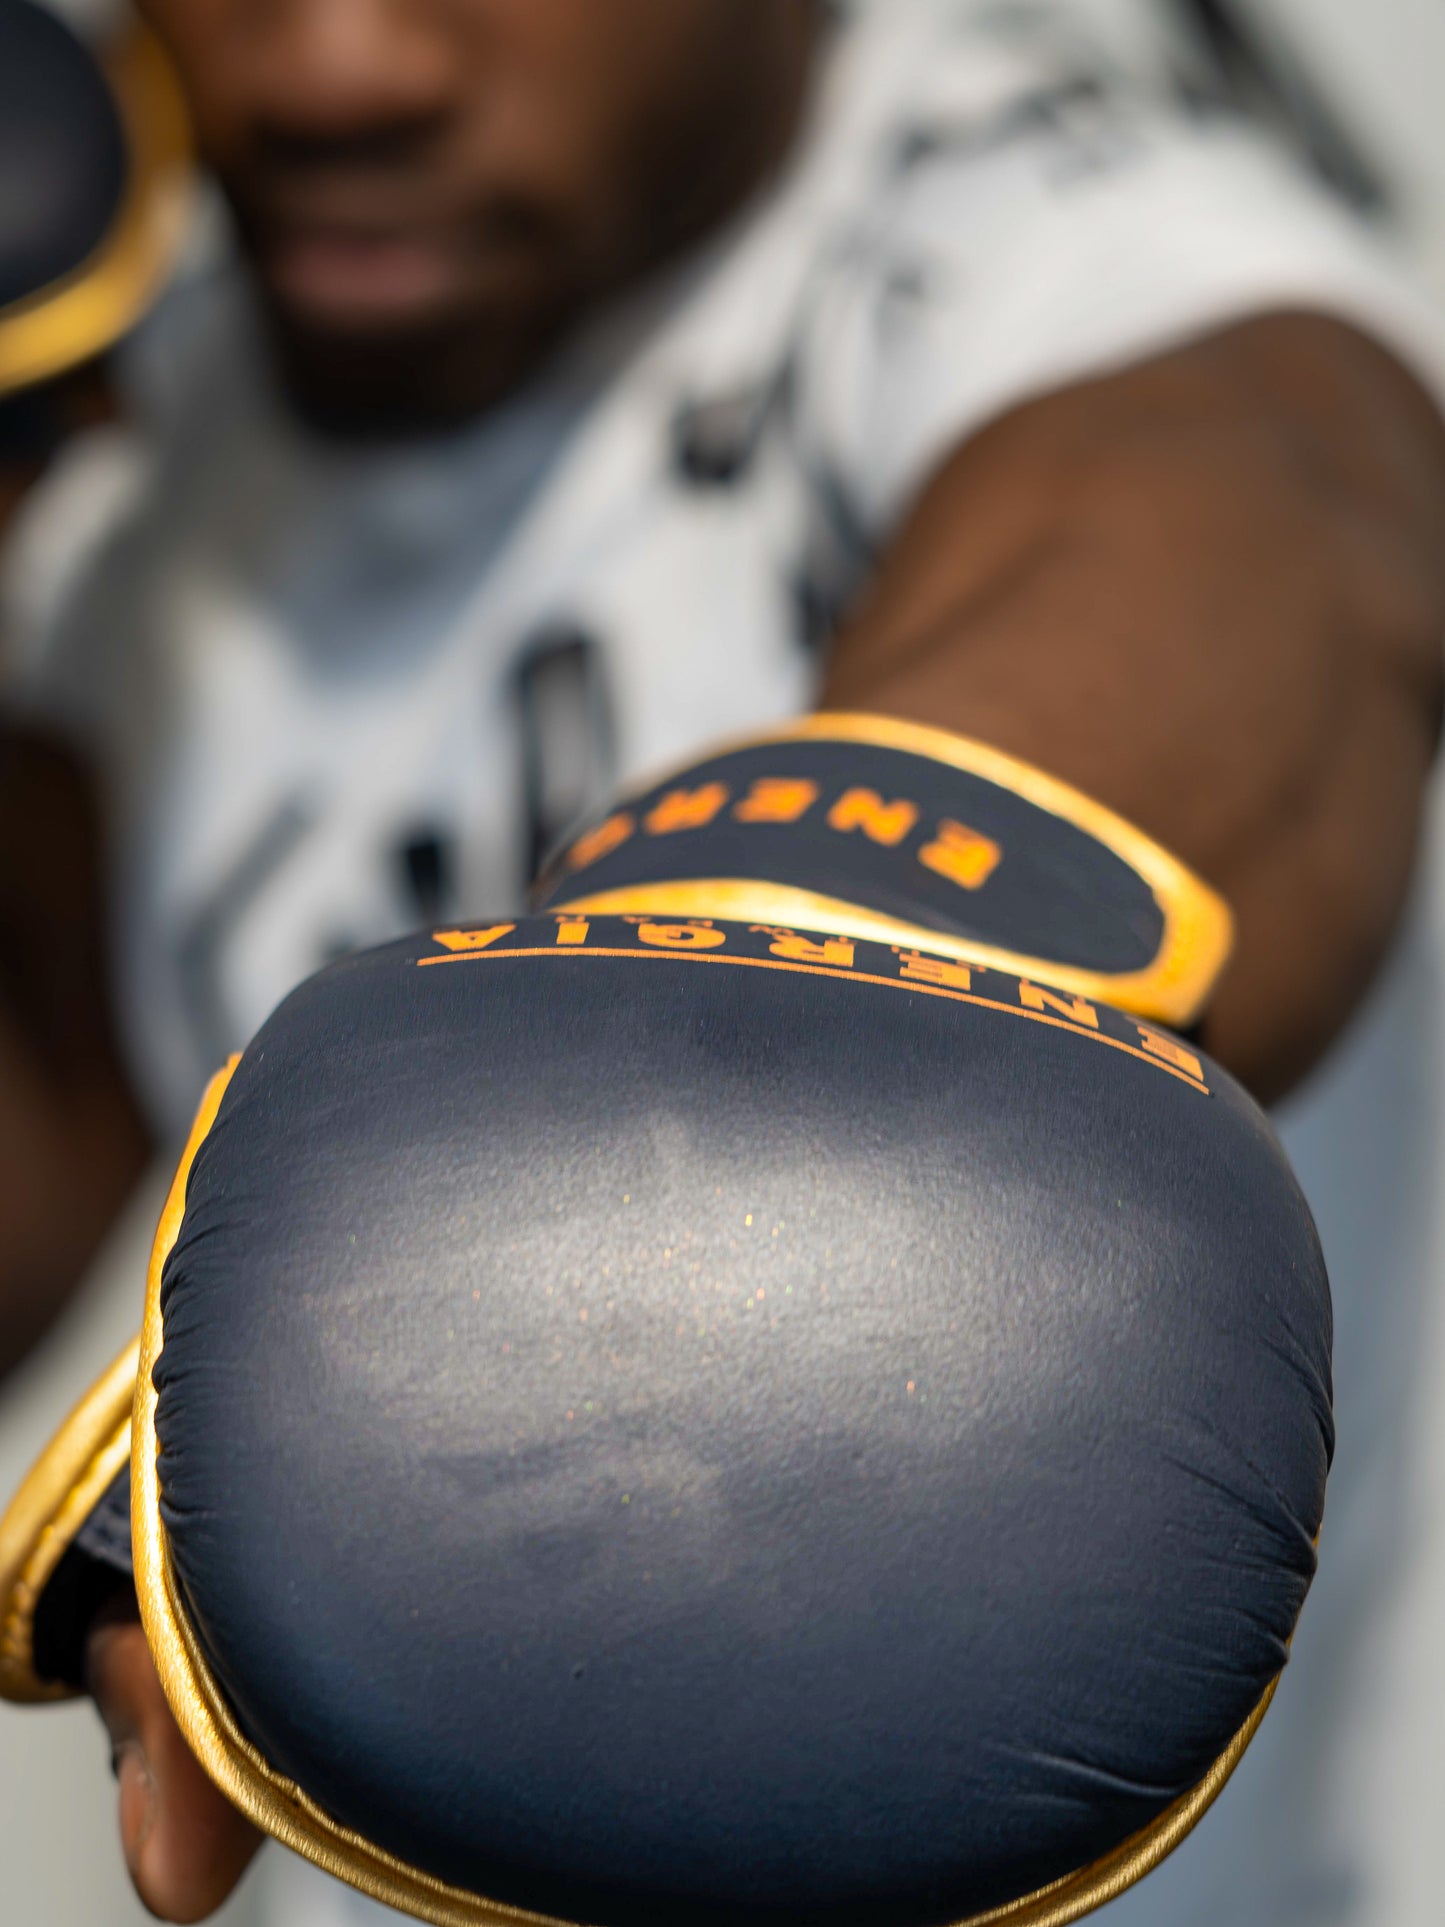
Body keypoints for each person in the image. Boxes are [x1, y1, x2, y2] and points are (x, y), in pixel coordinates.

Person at [2, 0, 1445, 1920]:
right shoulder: (165, 401)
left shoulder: (1074, 251)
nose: (339, 71)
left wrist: (798, 978)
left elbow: (1266, 521)